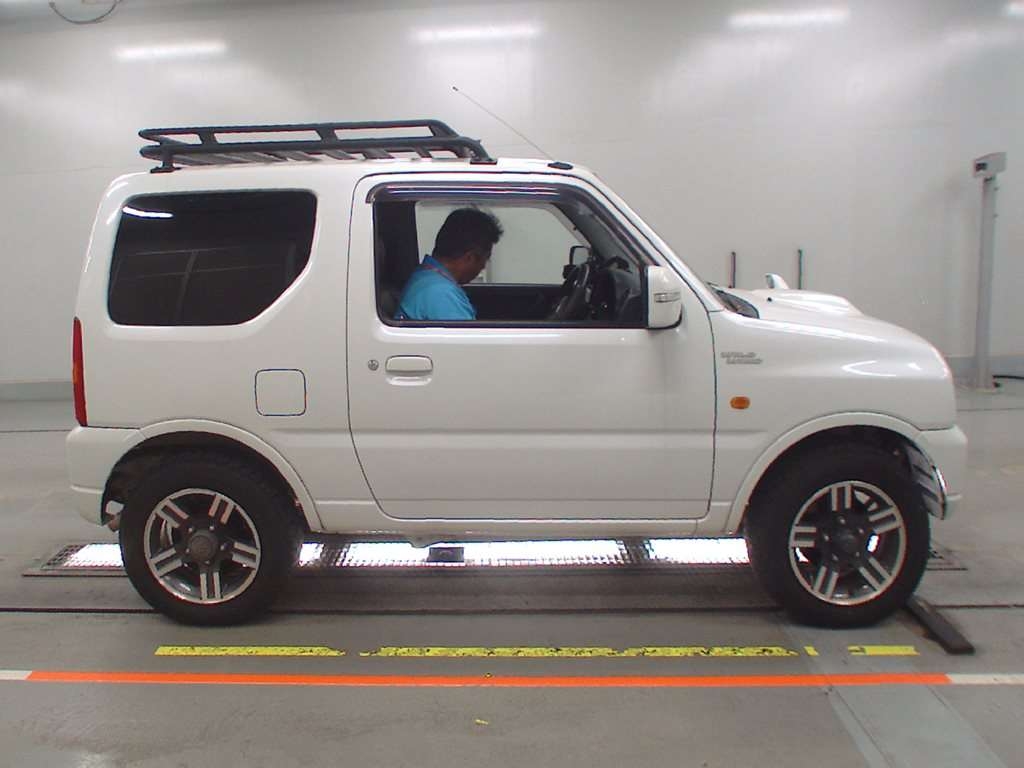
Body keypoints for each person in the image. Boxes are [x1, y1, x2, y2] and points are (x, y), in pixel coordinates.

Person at [396, 207, 503, 321]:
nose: (483, 267)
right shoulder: (441, 293)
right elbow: (466, 333)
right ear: (470, 258)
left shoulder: (425, 277)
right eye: (485, 259)